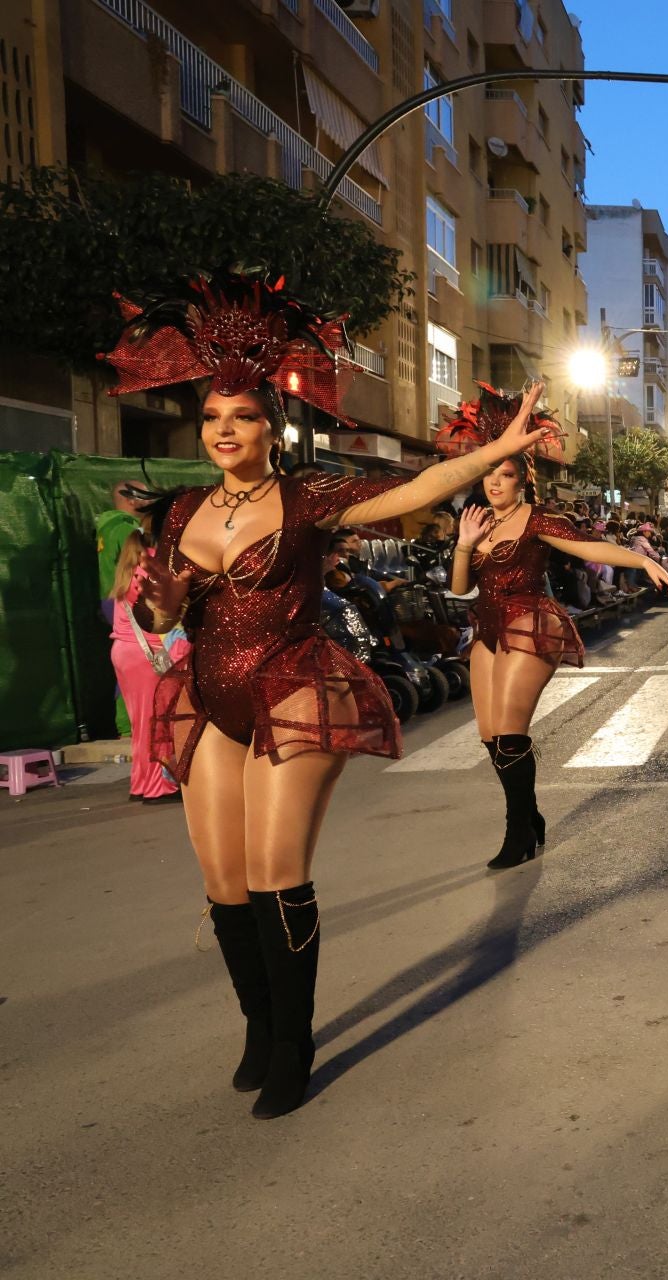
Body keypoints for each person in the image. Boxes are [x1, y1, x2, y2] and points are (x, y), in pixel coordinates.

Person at [104, 270, 558, 1118]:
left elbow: (412, 489)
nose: (224, 430)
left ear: (272, 425)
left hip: (292, 694)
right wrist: (163, 603)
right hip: (208, 702)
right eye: (212, 417)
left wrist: (496, 452)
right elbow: (168, 607)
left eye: (242, 416)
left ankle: (295, 1042)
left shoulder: (307, 496)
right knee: (223, 882)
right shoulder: (183, 511)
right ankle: (257, 1023)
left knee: (279, 875)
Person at [441, 383, 668, 871]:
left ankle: (518, 830)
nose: (494, 483)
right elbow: (461, 587)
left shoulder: (536, 520)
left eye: (504, 474)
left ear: (522, 478)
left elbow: (590, 547)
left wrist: (639, 558)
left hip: (529, 624)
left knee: (509, 732)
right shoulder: (476, 522)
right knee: (489, 737)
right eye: (489, 474)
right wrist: (464, 544)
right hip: (485, 626)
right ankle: (532, 816)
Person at [105, 529, 183, 804]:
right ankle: (157, 787)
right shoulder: (152, 567)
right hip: (146, 654)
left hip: (124, 652)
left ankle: (140, 783)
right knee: (156, 722)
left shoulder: (126, 570)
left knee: (141, 723)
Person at [98, 480, 146, 737]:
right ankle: (129, 727)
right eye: (145, 494)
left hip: (113, 601)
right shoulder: (127, 529)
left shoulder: (107, 526)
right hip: (126, 602)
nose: (150, 500)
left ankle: (128, 726)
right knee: (136, 663)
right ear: (131, 499)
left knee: (127, 662)